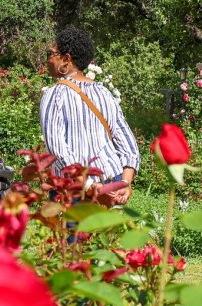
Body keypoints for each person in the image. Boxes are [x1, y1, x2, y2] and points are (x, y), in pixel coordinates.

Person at [40, 27, 139, 205]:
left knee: (69, 225)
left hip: (74, 191)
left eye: (50, 54)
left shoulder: (55, 95)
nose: (47, 60)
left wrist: (90, 186)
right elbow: (127, 143)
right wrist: (125, 182)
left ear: (66, 59)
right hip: (113, 184)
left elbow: (57, 150)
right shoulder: (104, 93)